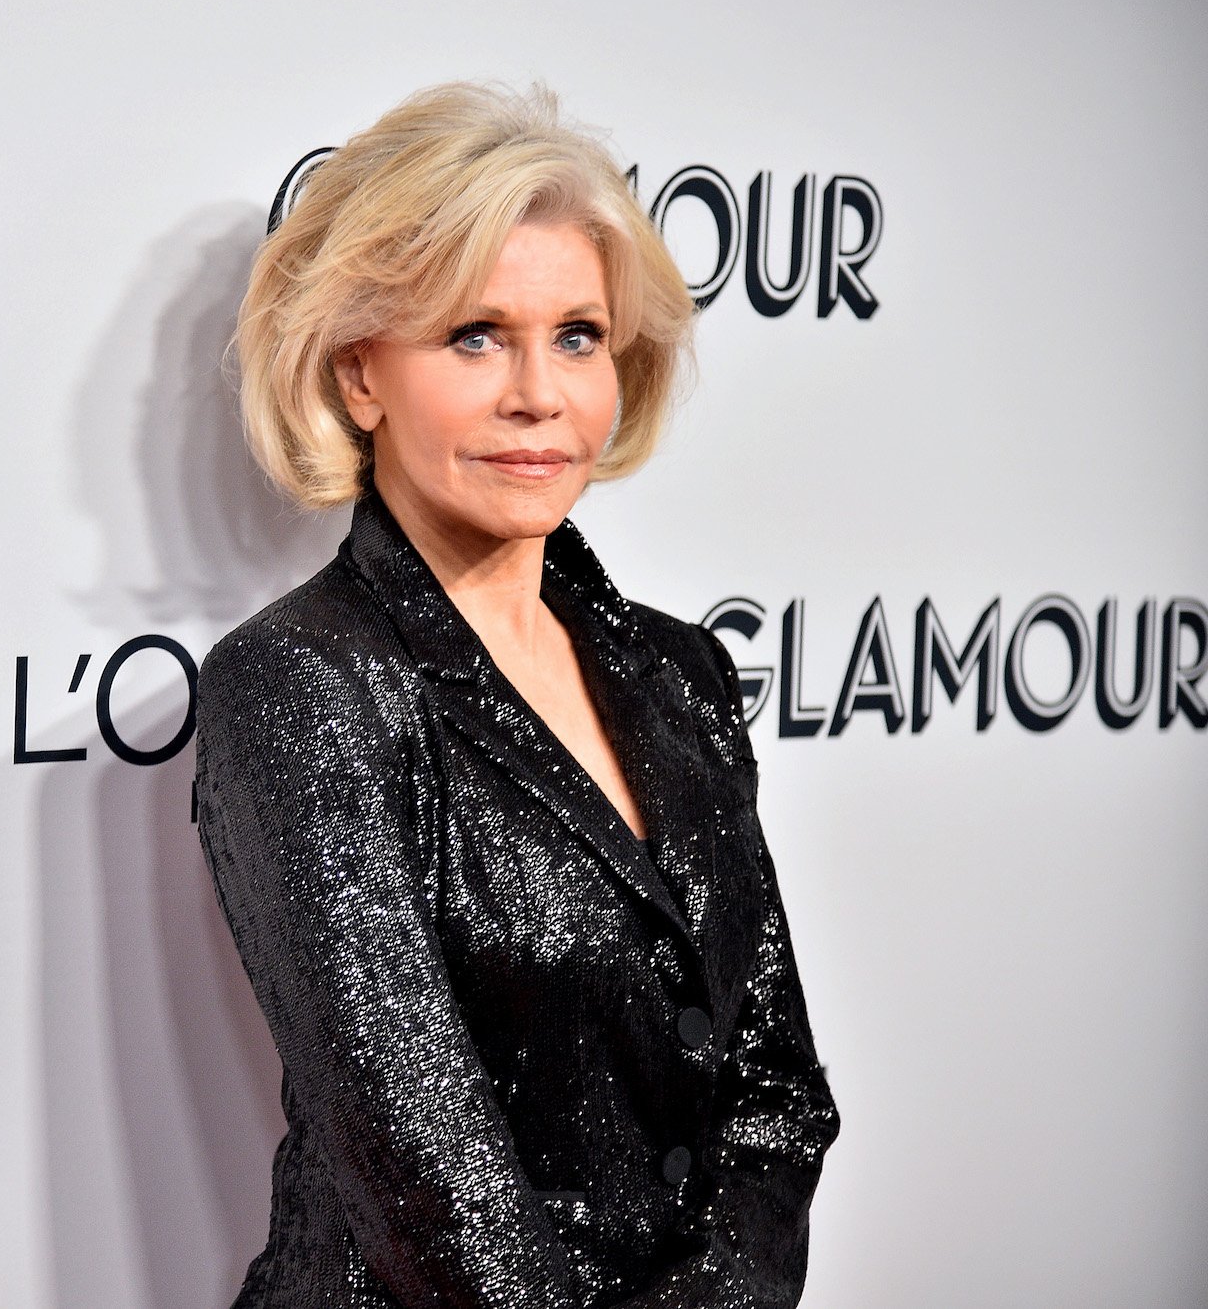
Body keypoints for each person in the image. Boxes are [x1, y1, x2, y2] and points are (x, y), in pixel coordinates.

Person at [193, 82, 840, 1308]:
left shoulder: (677, 672)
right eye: (474, 335)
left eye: (578, 336)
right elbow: (418, 1173)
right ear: (359, 373)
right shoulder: (302, 685)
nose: (538, 393)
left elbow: (772, 1102)